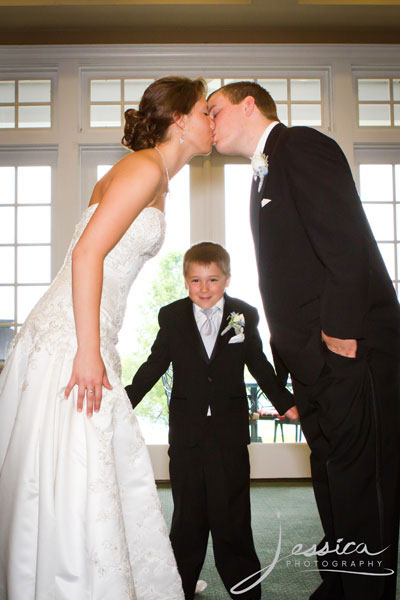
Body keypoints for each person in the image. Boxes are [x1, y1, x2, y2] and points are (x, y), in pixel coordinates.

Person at [0, 75, 214, 600]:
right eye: (206, 111)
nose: (213, 121)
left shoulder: (157, 176)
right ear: (181, 120)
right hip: (74, 335)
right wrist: (89, 350)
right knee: (77, 461)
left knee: (90, 464)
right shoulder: (144, 169)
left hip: (88, 326)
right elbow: (86, 254)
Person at [208, 81, 400, 600]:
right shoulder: (262, 172)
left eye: (215, 110)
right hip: (314, 366)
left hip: (349, 356)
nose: (208, 121)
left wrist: (340, 334)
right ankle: (339, 583)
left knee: (364, 491)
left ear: (249, 106)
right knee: (333, 484)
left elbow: (344, 241)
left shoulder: (303, 146)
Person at [125, 241, 297, 600]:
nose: (204, 289)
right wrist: (126, 401)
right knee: (187, 518)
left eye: (213, 280)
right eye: (196, 281)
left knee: (233, 516)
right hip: (187, 434)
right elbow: (154, 365)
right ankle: (179, 588)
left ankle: (245, 590)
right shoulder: (171, 317)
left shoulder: (243, 314)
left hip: (228, 434)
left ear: (227, 279)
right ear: (186, 281)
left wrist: (286, 403)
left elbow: (260, 365)